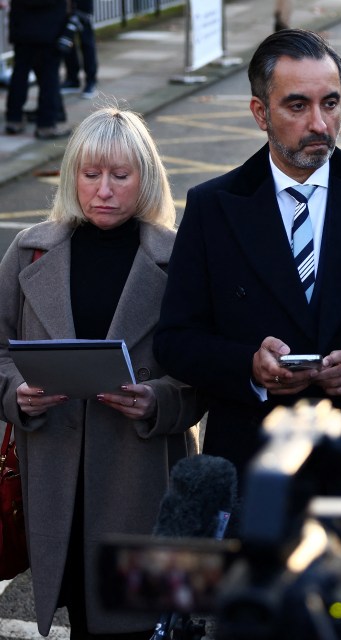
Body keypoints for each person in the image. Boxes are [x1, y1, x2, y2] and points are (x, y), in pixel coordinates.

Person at [153, 29, 341, 572]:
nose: (319, 124)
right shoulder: (214, 207)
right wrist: (250, 367)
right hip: (257, 476)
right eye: (297, 105)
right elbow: (176, 340)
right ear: (260, 112)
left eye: (330, 103)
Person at [0, 106, 205, 638]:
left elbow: (204, 366)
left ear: (146, 178)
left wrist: (160, 399)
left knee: (139, 622)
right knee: (83, 618)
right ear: (72, 177)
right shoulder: (28, 252)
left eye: (120, 175)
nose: (104, 190)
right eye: (91, 175)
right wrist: (16, 393)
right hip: (53, 481)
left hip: (139, 477)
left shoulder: (178, 258)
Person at [1, 0, 72, 139]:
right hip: (49, 31)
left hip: (22, 29)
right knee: (49, 80)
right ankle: (46, 124)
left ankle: (14, 119)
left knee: (19, 75)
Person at [60, 0, 98, 99]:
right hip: (65, 6)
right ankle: (72, 80)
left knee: (87, 44)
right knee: (67, 41)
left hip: (83, 7)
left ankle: (91, 81)